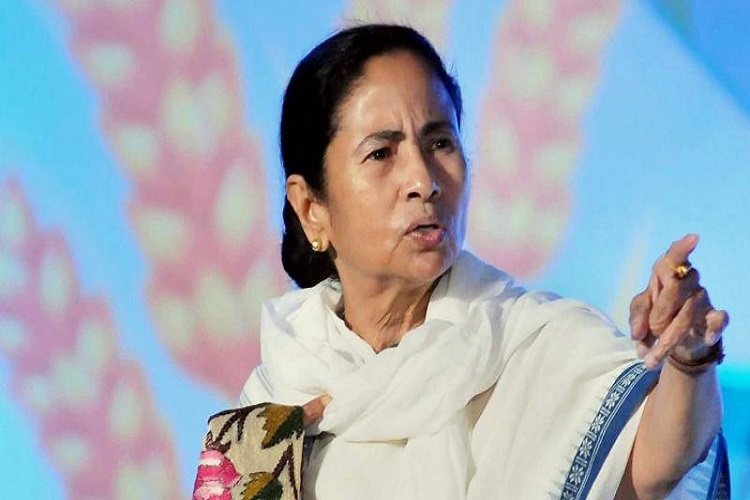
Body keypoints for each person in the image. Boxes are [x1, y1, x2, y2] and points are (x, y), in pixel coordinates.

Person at [230, 24, 730, 499]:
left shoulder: (532, 343)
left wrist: (688, 359)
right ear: (310, 209)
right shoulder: (276, 399)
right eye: (381, 153)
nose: (423, 180)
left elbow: (656, 465)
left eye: (440, 143)